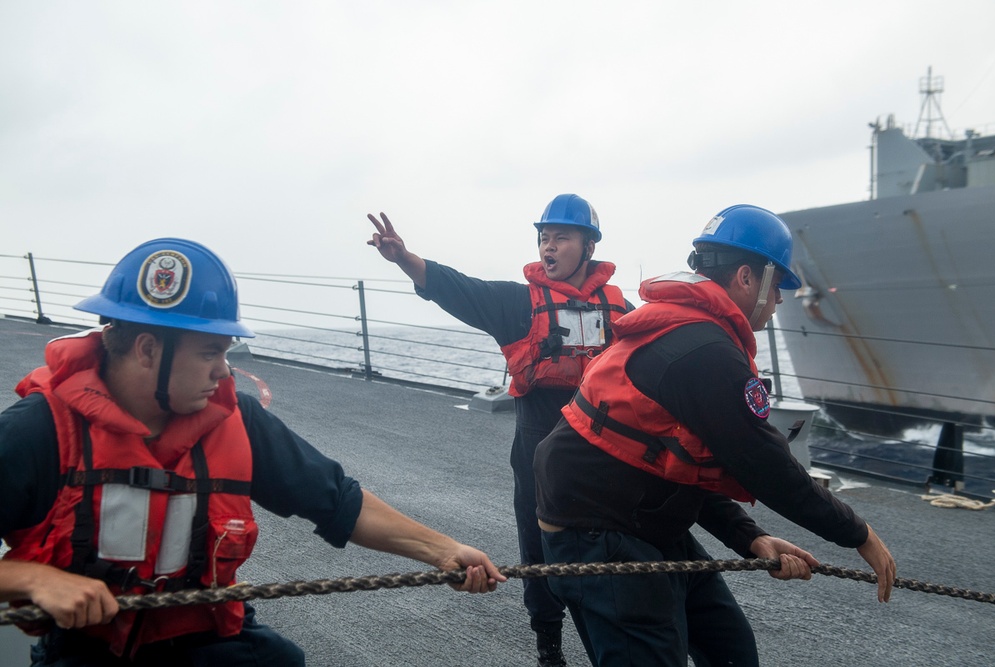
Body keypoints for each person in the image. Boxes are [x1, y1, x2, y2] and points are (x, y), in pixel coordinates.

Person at [0, 238, 505, 666]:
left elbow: (337, 500)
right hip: (89, 648)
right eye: (210, 353)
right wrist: (34, 579)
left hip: (203, 635)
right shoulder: (39, 432)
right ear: (148, 349)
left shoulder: (236, 421)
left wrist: (444, 551)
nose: (224, 372)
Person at [533, 204, 897, 667]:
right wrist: (858, 534)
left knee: (731, 652)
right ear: (747, 277)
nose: (780, 299)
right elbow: (765, 466)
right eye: (778, 285)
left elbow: (675, 457)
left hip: (644, 514)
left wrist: (750, 538)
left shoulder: (689, 331)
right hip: (597, 530)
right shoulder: (704, 350)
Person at [368, 194, 631, 667]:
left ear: (588, 246)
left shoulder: (621, 310)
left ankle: (611, 641)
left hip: (603, 453)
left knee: (609, 549)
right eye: (543, 239)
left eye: (561, 238)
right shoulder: (517, 304)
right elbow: (459, 287)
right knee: (538, 549)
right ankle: (549, 647)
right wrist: (405, 259)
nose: (549, 247)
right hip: (539, 451)